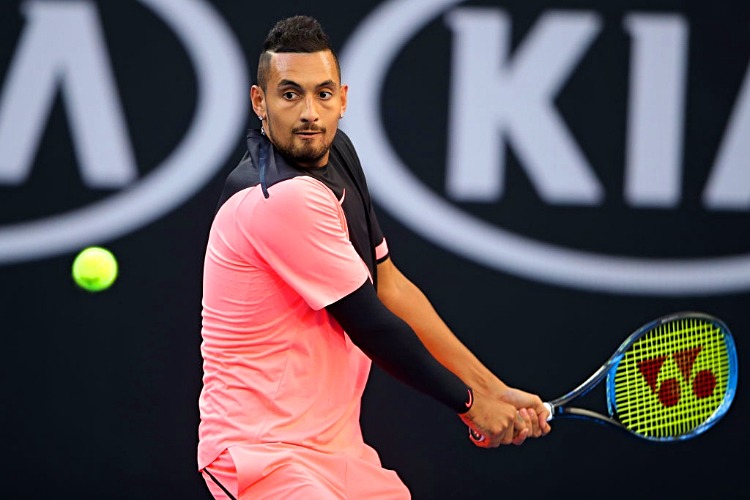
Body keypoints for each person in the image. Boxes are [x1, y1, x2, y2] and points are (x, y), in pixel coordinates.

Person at [197, 15, 551, 500]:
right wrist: (471, 405)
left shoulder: (337, 152)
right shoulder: (279, 197)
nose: (309, 113)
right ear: (260, 102)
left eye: (322, 94)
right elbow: (373, 325)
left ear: (342, 98)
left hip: (339, 451)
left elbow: (390, 287)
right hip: (263, 454)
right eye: (289, 94)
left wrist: (492, 388)